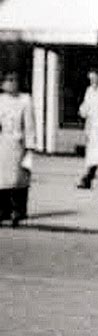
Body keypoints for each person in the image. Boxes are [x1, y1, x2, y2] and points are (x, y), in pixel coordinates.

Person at [0, 70, 36, 227]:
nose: (11, 83)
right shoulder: (1, 100)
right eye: (8, 80)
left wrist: (29, 146)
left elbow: (29, 125)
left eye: (14, 80)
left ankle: (19, 210)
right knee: (2, 179)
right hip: (3, 142)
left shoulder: (25, 100)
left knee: (18, 178)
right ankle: (3, 210)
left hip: (18, 143)